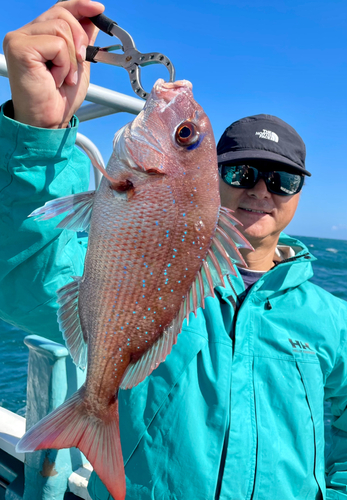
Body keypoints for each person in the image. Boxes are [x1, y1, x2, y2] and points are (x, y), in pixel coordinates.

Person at [1, 1, 347, 499]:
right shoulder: (182, 287)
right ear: (210, 179)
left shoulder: (332, 319)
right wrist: (40, 131)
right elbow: (25, 276)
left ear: (298, 194)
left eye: (283, 179)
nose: (261, 190)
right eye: (241, 173)